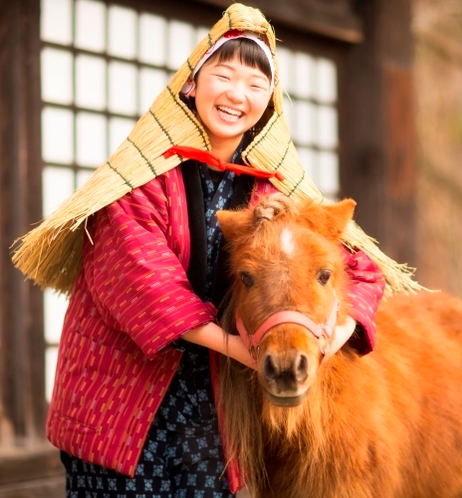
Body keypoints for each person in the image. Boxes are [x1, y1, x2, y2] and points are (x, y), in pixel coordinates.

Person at [11, 3, 420, 497]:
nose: (237, 94)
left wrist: (332, 332)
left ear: (269, 102)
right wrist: (250, 348)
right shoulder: (135, 182)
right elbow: (149, 289)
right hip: (122, 399)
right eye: (224, 75)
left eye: (255, 84)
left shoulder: (271, 190)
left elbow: (359, 265)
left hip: (215, 410)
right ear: (192, 83)